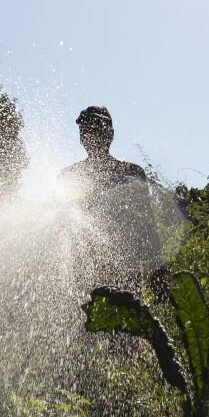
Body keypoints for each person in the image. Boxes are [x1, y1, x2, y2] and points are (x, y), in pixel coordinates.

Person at [57, 106, 168, 299]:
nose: (92, 134)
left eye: (98, 128)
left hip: (126, 273)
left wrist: (158, 274)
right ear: (81, 137)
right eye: (87, 130)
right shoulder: (69, 177)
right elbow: (58, 229)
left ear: (111, 133)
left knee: (127, 325)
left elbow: (148, 228)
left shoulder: (132, 174)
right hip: (83, 274)